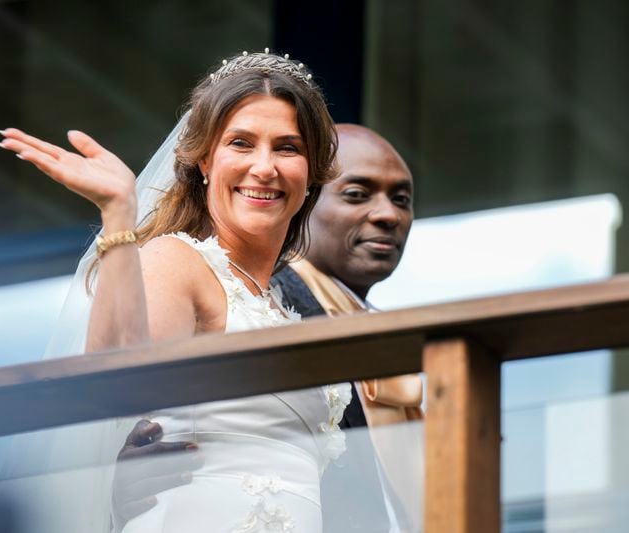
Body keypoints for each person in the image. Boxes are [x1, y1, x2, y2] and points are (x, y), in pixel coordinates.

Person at [0, 50, 349, 533]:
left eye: (287, 148)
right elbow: (112, 382)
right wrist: (120, 213)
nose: (264, 167)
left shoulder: (281, 309)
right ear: (205, 159)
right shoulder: (178, 260)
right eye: (241, 143)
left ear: (311, 173)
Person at [113, 124, 423, 532]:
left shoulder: (411, 345)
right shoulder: (248, 297)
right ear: (307, 198)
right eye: (356, 194)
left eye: (401, 199)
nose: (387, 215)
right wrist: (114, 478)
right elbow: (124, 417)